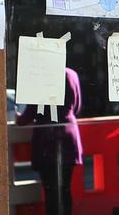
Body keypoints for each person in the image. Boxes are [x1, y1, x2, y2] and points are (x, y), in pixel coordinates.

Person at [17, 67, 83, 215]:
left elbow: (30, 114)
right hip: (68, 134)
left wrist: (19, 118)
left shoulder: (43, 75)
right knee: (65, 189)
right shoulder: (71, 74)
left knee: (51, 192)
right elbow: (77, 107)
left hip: (47, 139)